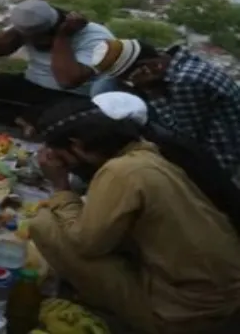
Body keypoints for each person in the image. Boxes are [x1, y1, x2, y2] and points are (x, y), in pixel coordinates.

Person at [27, 97, 240, 334]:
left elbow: (85, 245)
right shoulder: (146, 152)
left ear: (77, 145)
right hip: (222, 297)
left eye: (61, 157)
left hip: (183, 316)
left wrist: (61, 188)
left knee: (44, 224)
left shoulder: (120, 172)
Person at [89, 38, 240, 181]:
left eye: (131, 79)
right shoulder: (178, 64)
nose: (133, 85)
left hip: (224, 160)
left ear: (148, 67)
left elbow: (186, 139)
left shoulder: (184, 82)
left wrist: (153, 93)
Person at [0, 0, 113, 129]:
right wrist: (19, 29)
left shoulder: (95, 36)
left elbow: (67, 81)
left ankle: (31, 118)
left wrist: (62, 39)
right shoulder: (29, 27)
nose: (39, 43)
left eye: (44, 39)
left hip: (72, 96)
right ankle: (18, 119)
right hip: (31, 83)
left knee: (70, 118)